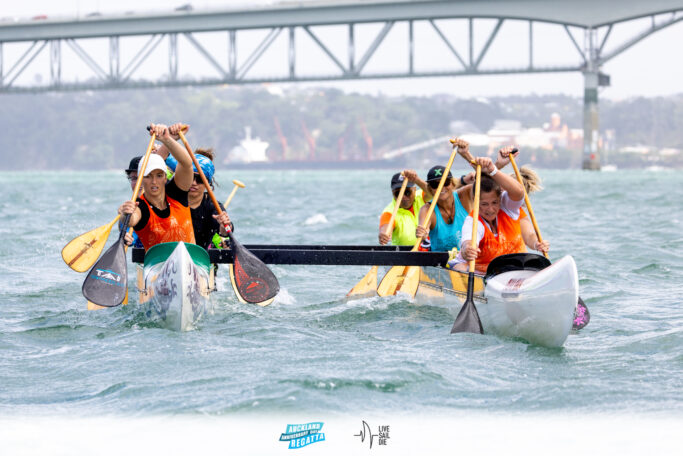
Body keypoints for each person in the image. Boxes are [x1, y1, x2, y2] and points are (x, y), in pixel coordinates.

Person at [118, 123, 225, 250]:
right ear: (141, 180)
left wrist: (167, 139)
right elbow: (131, 220)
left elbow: (186, 164)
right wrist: (125, 215)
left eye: (158, 175)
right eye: (148, 176)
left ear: (165, 177)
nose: (154, 182)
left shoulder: (177, 193)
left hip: (192, 262)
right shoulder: (139, 206)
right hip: (158, 265)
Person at [452, 154, 549, 273]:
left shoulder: (508, 208)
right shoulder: (473, 221)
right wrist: (468, 250)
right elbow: (468, 242)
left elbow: (519, 192)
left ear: (500, 198)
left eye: (494, 203)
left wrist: (537, 245)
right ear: (476, 202)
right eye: (484, 204)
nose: (490, 209)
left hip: (511, 269)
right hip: (481, 272)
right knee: (459, 268)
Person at [164, 147, 233, 250]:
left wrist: (224, 228)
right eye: (191, 177)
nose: (194, 183)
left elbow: (225, 232)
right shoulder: (171, 195)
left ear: (208, 183)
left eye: (200, 179)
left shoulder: (212, 206)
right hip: (169, 253)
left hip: (199, 258)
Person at [378, 170, 431, 246]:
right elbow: (385, 228)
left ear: (414, 190)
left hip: (429, 249)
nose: (403, 197)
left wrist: (416, 180)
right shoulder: (389, 212)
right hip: (407, 254)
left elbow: (434, 193)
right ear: (393, 193)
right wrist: (384, 234)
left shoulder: (422, 197)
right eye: (398, 193)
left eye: (407, 192)